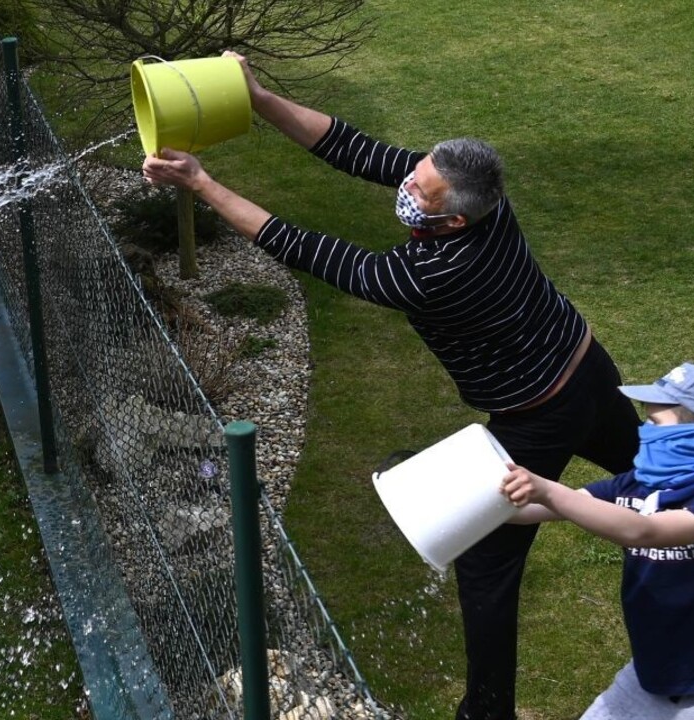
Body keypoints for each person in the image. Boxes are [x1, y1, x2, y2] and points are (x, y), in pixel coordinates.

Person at [141, 51, 642, 719]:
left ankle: (486, 713)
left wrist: (202, 184)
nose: (406, 181)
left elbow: (304, 247)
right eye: (417, 169)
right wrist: (257, 97)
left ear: (452, 219)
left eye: (420, 187)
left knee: (485, 560)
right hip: (587, 365)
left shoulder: (426, 276)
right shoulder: (483, 198)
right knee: (662, 481)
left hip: (535, 416)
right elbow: (354, 148)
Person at [501, 363, 694, 719]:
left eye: (655, 423)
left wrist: (547, 490)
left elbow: (642, 531)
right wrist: (483, 501)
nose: (644, 431)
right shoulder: (632, 485)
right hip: (651, 676)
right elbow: (528, 511)